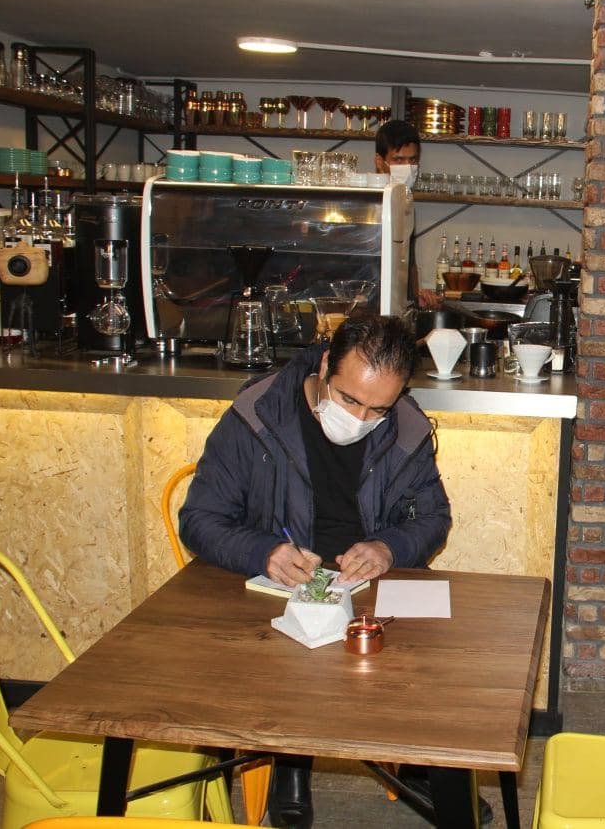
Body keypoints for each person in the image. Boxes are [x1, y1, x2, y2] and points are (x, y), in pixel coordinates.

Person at [180, 316, 453, 828]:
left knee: (429, 667)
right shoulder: (257, 413)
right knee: (289, 657)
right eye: (349, 399)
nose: (361, 418)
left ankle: (413, 764)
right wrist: (263, 551)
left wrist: (389, 547)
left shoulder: (407, 426)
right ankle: (291, 765)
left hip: (369, 585)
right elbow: (199, 520)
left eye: (378, 409)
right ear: (326, 365)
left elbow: (433, 518)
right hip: (279, 583)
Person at [374, 118, 440, 309]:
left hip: (396, 305)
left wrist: (415, 296)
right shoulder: (374, 204)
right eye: (398, 160)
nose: (408, 167)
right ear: (380, 162)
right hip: (372, 301)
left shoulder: (406, 203)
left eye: (413, 160)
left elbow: (408, 261)